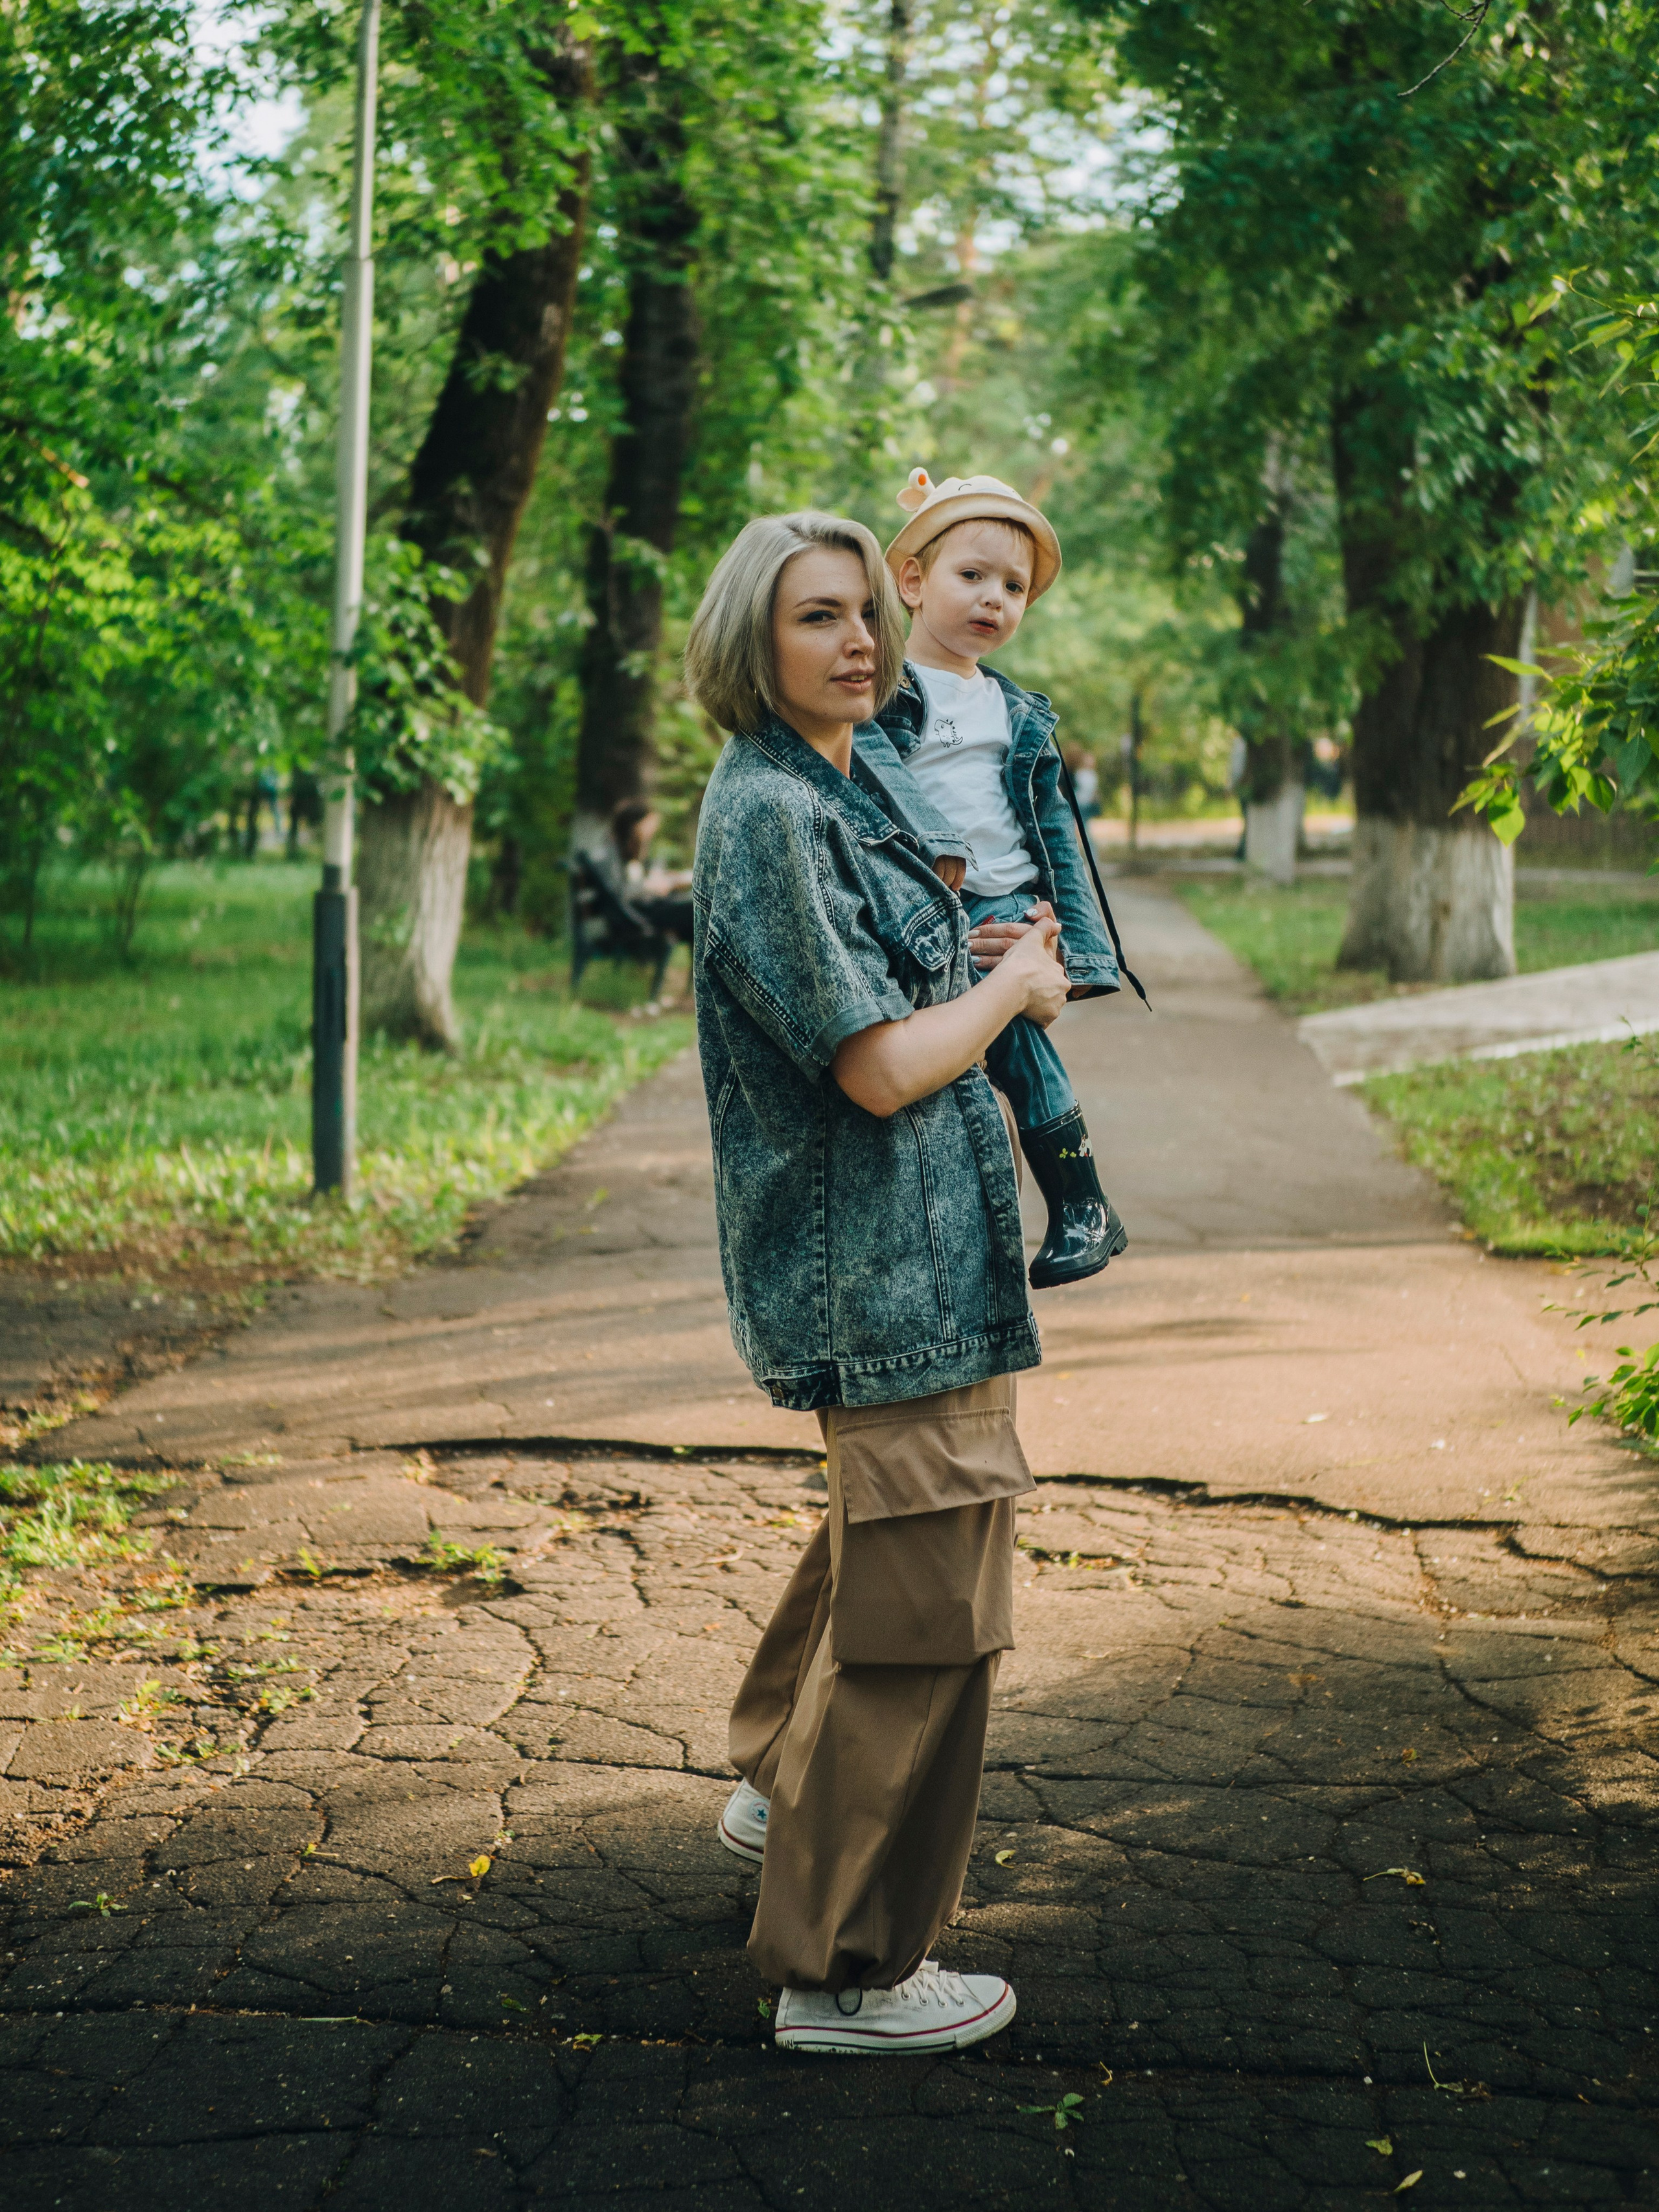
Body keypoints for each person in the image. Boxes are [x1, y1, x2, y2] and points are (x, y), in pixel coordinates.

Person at [687, 509, 1070, 2055]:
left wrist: (985, 950)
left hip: (927, 1259)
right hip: (881, 1272)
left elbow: (918, 971)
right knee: (925, 1621)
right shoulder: (772, 811)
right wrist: (1008, 988)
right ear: (748, 645)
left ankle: (776, 1782)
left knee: (888, 1566)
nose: (854, 639)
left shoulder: (850, 777)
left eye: (861, 610)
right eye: (812, 618)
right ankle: (844, 1970)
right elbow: (878, 1067)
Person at [870, 468, 1128, 1288]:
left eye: (1013, 587)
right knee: (971, 1050)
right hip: (923, 902)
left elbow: (1054, 828)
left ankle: (1081, 1199)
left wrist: (1072, 952)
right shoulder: (881, 694)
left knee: (1009, 1025)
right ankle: (1057, 1208)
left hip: (1002, 898)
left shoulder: (1016, 713)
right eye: (971, 575)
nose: (994, 599)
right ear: (912, 581)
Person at [599, 798, 694, 945]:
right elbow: (620, 892)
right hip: (635, 917)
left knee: (693, 905)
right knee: (694, 910)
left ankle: (698, 967)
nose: (652, 831)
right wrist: (651, 886)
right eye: (648, 825)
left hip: (645, 910)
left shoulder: (631, 851)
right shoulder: (612, 853)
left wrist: (663, 880)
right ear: (634, 825)